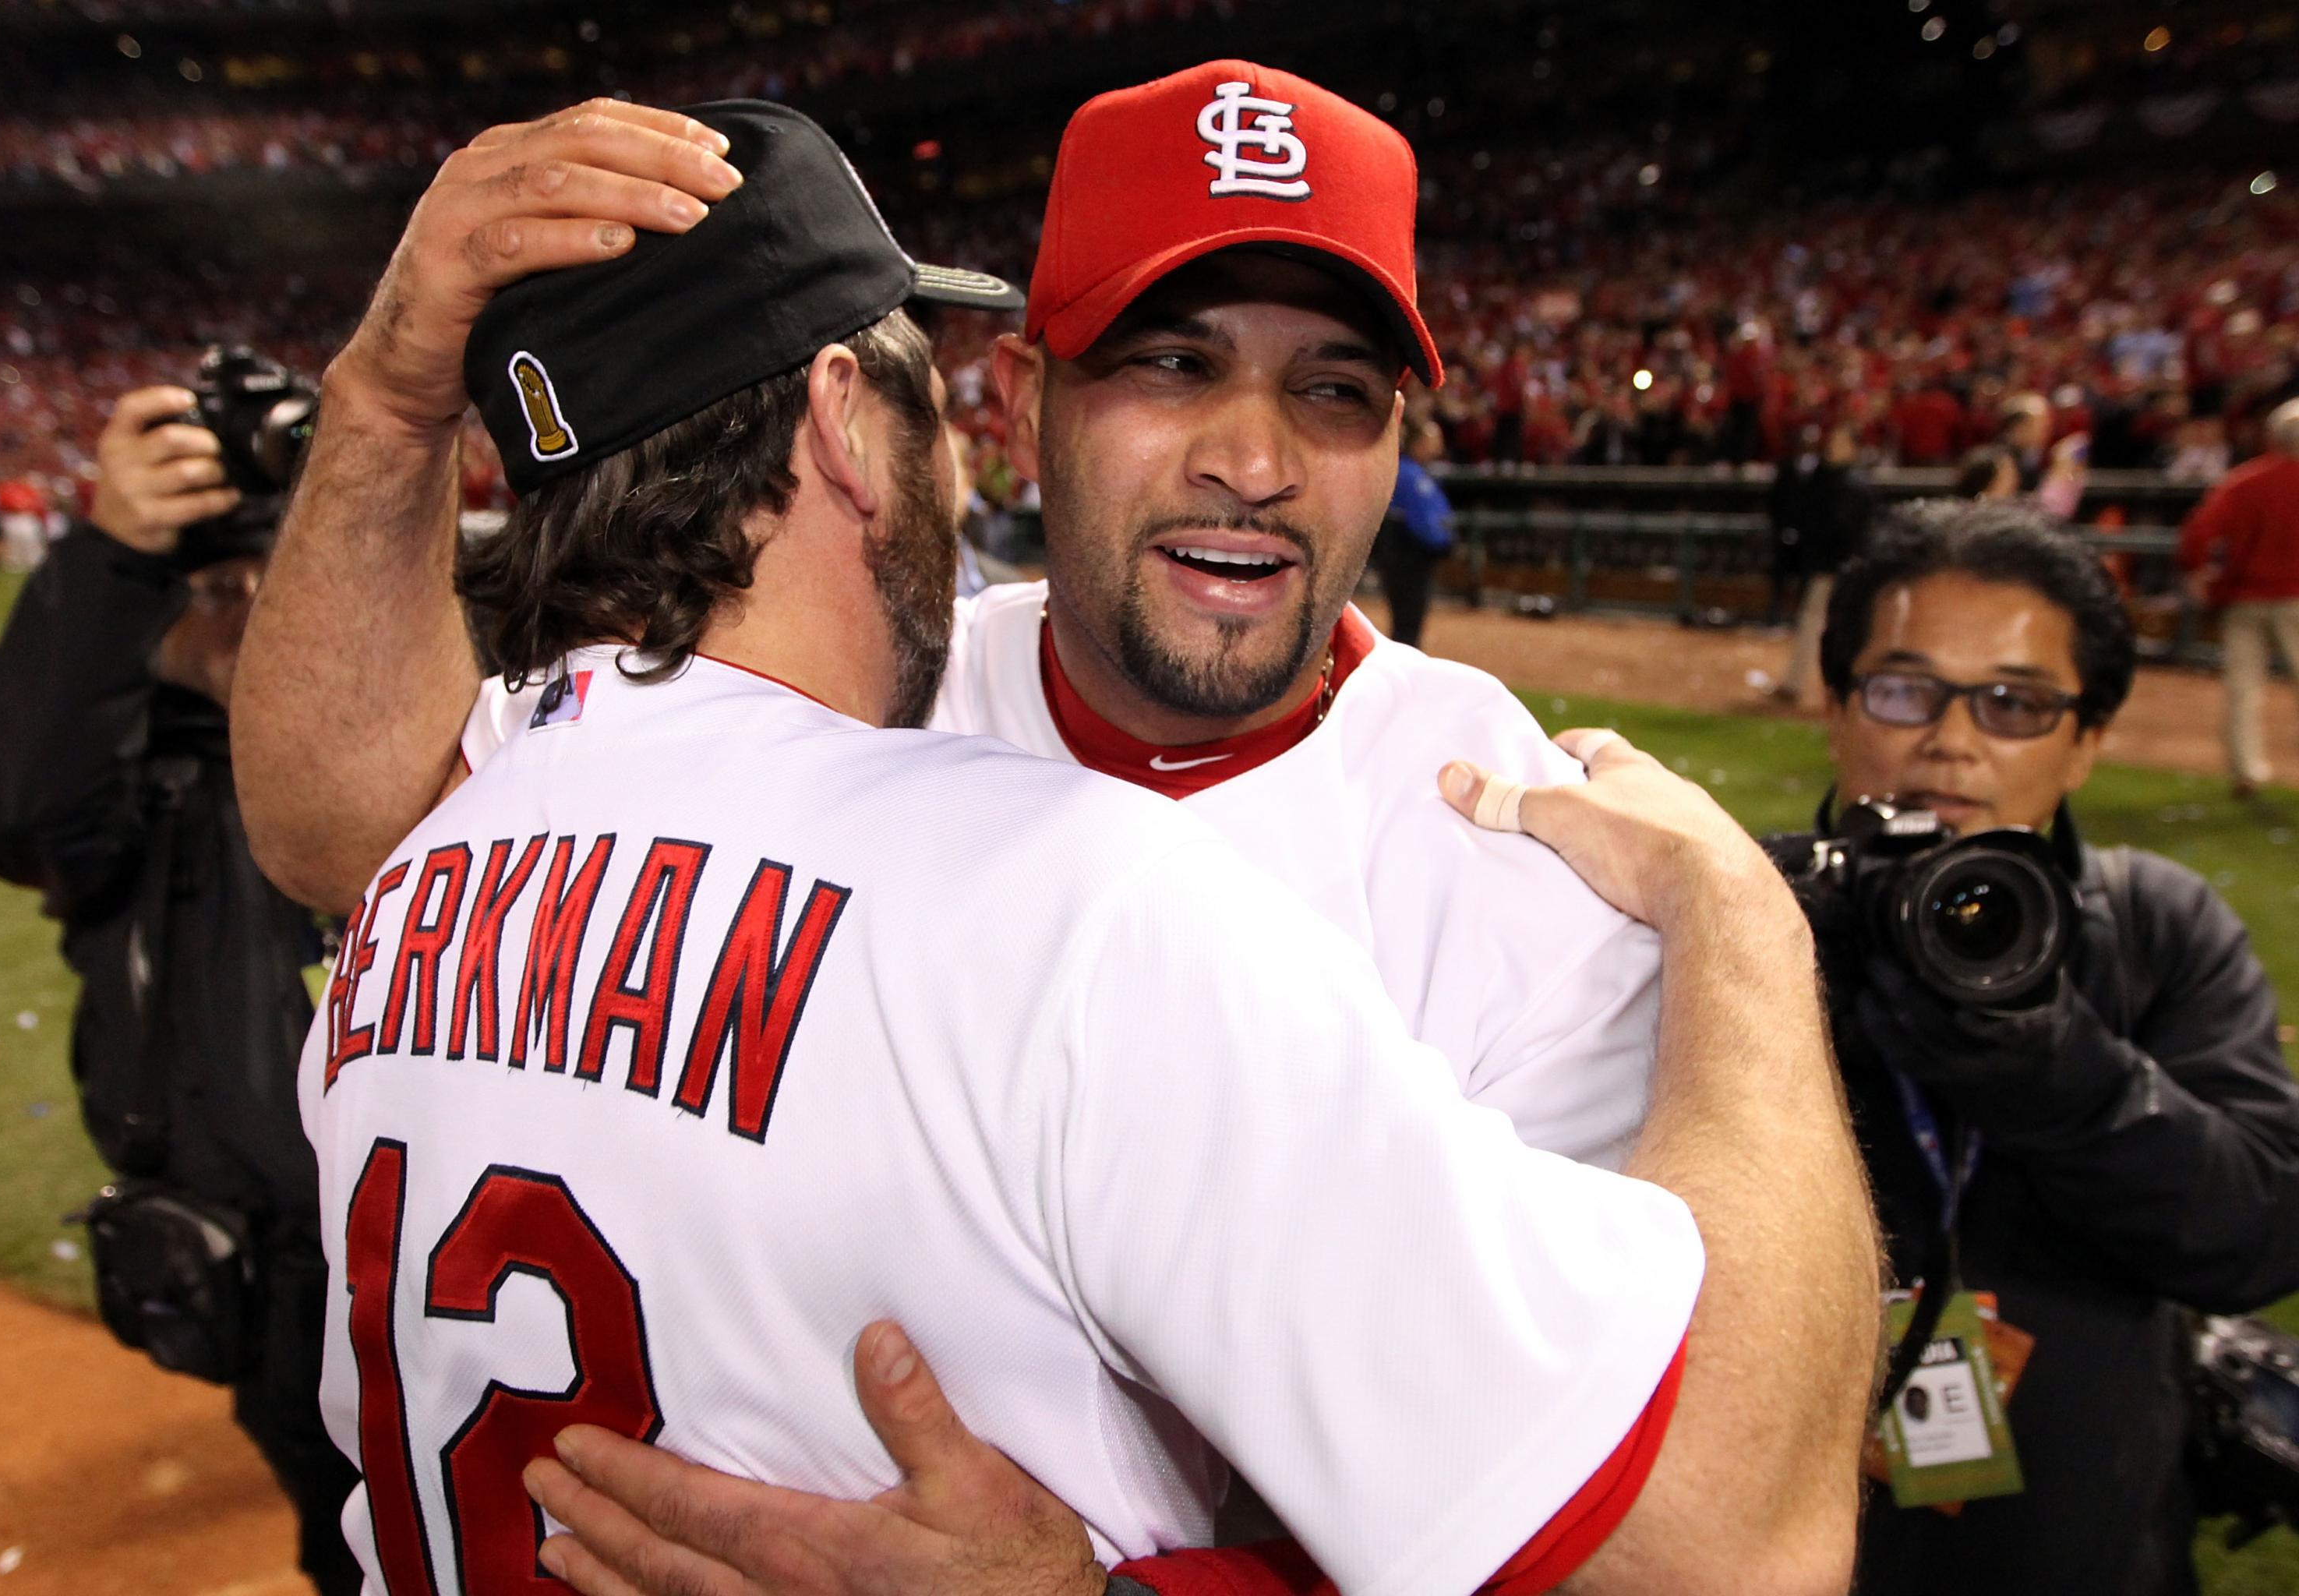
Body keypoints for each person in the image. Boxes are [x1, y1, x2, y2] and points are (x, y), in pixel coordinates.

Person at [231, 79, 1877, 1596]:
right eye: (1172, 364)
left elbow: (1657, 1529)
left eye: (1336, 390)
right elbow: (334, 826)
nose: (1252, 459)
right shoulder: (864, 717)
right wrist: (380, 402)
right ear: (1008, 407)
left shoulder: (1522, 851)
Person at [1774, 499, 2299, 1595]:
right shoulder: (1738, 916)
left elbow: (2258, 1234)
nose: (1952, 742)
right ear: (1838, 706)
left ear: (2086, 743)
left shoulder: (2157, 929)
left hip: (2092, 1542)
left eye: (2015, 704)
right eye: (1905, 690)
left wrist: (2056, 1073)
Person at [0, 387, 359, 1594]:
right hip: (277, 1275)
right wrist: (115, 555)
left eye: (273, 577)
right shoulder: (132, 780)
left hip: (428, 1255)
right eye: (214, 592)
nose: (254, 615)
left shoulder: (392, 734)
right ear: (155, 619)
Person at [2177, 397, 2299, 797]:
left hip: (2244, 598)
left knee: (2243, 690)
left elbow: (2198, 532)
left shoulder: (2245, 481)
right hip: (2295, 601)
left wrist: (2197, 571)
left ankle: (2247, 770)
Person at [1772, 421, 1873, 708]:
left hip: (1843, 570)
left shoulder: (1853, 483)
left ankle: (1846, 691)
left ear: (1854, 448)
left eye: (1841, 442)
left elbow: (1850, 530)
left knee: (1846, 631)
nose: (1832, 447)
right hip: (1829, 567)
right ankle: (1803, 686)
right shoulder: (1827, 478)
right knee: (1815, 625)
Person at [1371, 415, 1453, 646]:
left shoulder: (1413, 471)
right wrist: (1443, 546)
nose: (1438, 444)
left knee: (1405, 624)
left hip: (1401, 557)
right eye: (1432, 439)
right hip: (1408, 558)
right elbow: (1425, 524)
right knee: (1408, 625)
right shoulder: (1410, 474)